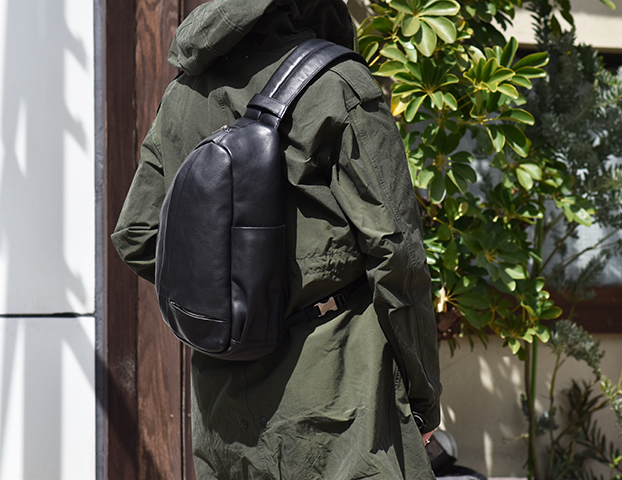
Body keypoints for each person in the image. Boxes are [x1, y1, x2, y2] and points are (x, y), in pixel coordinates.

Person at [111, 1, 442, 478]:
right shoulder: (337, 84)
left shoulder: (183, 92)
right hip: (338, 395)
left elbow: (137, 235)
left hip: (223, 408)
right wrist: (423, 397)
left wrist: (233, 299)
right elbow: (396, 254)